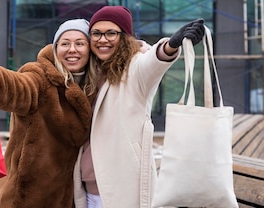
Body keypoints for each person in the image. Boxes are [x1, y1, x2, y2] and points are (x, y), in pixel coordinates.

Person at [0, 19, 97, 208]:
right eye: (65, 43)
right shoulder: (41, 78)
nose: (72, 49)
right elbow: (17, 87)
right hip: (27, 198)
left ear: (89, 49)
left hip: (68, 199)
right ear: (55, 48)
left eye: (80, 43)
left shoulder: (94, 88)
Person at [72, 6, 205, 208]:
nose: (102, 39)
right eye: (96, 33)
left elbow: (153, 64)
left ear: (124, 36)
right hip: (87, 186)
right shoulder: (90, 72)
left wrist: (170, 46)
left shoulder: (134, 68)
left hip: (122, 188)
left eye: (111, 33)